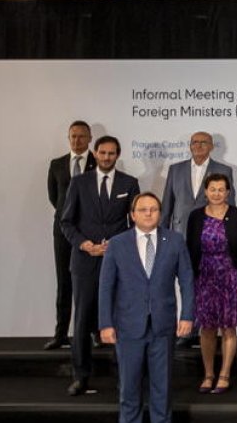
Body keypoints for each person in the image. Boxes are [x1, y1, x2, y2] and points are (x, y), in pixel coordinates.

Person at [97, 192, 195, 423]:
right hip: (127, 327)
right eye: (143, 209)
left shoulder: (174, 240)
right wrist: (105, 323)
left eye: (153, 209)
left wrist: (188, 315)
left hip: (163, 326)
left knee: (162, 389)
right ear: (133, 215)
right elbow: (105, 286)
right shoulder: (117, 244)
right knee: (129, 389)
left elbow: (187, 280)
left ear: (160, 213)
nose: (148, 213)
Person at [59, 134, 140, 396]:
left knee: (121, 320)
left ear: (118, 155)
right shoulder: (79, 183)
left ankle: (123, 378)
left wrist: (116, 246)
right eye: (102, 153)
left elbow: (138, 224)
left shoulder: (130, 183)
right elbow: (66, 222)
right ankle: (81, 376)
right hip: (85, 262)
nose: (107, 157)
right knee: (82, 321)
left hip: (119, 263)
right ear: (95, 154)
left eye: (112, 153)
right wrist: (85, 245)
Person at [185, 173, 237, 394]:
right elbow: (189, 249)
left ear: (228, 192)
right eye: (213, 189)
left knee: (228, 327)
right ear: (205, 191)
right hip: (204, 277)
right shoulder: (195, 217)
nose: (217, 193)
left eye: (222, 189)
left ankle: (225, 374)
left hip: (230, 276)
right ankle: (209, 373)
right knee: (207, 327)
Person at [45, 120, 95, 351]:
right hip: (63, 231)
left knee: (91, 284)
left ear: (90, 138)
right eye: (73, 136)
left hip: (90, 232)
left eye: (81, 136)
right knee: (63, 282)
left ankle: (93, 332)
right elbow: (55, 198)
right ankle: (60, 333)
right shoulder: (56, 164)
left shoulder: (99, 162)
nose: (77, 141)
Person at [162, 131, 237, 235]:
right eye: (195, 142)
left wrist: (229, 232)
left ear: (211, 147)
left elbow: (229, 203)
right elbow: (167, 204)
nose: (198, 146)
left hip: (212, 231)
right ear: (190, 146)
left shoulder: (224, 170)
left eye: (203, 142)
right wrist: (162, 233)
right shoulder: (175, 169)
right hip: (180, 230)